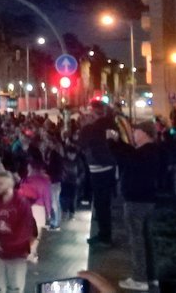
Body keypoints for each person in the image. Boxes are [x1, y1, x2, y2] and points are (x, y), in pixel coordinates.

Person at [108, 121, 160, 292]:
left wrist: (114, 142)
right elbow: (128, 154)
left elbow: (126, 157)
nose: (134, 135)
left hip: (136, 201)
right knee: (147, 240)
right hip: (148, 201)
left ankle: (139, 279)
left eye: (136, 132)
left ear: (144, 133)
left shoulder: (144, 153)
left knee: (137, 240)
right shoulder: (153, 152)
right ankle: (151, 277)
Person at [0, 171, 37, 293]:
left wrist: (1, 243)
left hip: (17, 254)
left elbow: (24, 232)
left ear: (10, 184)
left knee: (14, 287)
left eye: (1, 184)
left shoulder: (22, 203)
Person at [78, 102, 118, 245]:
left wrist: (84, 126)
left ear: (94, 114)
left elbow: (81, 144)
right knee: (104, 202)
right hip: (110, 166)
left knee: (101, 203)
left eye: (90, 114)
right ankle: (105, 233)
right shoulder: (111, 124)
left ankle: (104, 236)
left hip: (98, 169)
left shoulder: (91, 128)